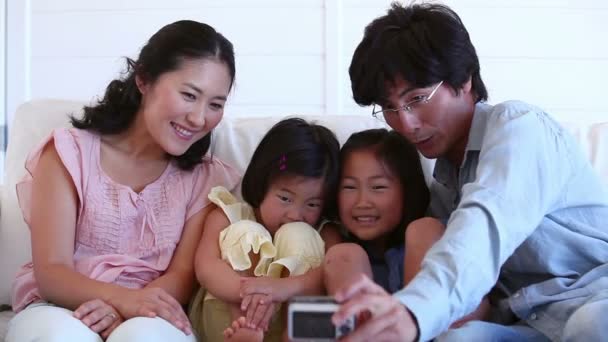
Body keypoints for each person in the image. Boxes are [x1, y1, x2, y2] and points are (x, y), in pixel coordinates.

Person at [329, 3, 608, 342]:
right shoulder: (445, 183)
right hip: (532, 324)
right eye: (389, 107)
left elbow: (482, 228)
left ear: (463, 80)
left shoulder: (520, 128)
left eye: (416, 99)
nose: (405, 123)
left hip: (594, 298)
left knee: (589, 325)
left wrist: (414, 310)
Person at [6, 20, 240, 342]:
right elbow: (52, 271)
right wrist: (121, 299)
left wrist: (129, 307)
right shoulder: (69, 153)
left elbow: (183, 276)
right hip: (58, 305)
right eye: (189, 95)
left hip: (153, 311)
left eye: (216, 104)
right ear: (144, 79)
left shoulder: (205, 178)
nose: (200, 118)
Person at [189, 118, 342, 342]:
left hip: (293, 324)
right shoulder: (227, 215)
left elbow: (332, 274)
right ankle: (245, 328)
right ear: (262, 182)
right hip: (226, 322)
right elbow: (206, 267)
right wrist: (254, 295)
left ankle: (295, 335)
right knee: (247, 232)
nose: (295, 214)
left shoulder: (323, 231)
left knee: (299, 233)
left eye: (312, 204)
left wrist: (281, 288)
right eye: (285, 198)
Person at [324, 128, 488, 329]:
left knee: (423, 229)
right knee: (344, 253)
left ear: (407, 190)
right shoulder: (338, 250)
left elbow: (477, 306)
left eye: (378, 187)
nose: (362, 202)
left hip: (436, 328)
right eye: (349, 187)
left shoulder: (429, 237)